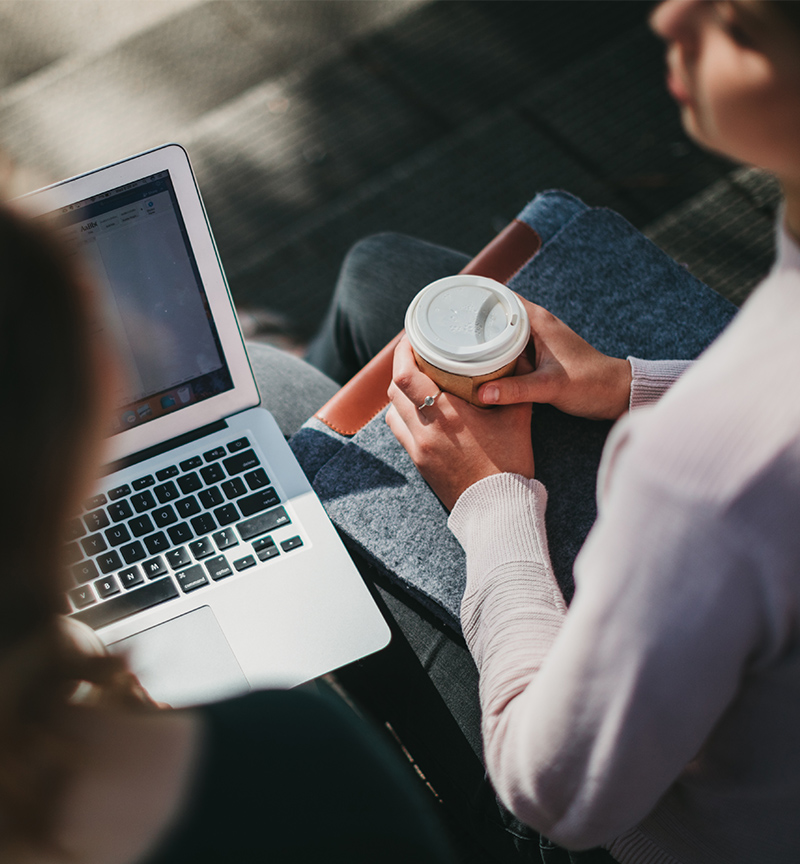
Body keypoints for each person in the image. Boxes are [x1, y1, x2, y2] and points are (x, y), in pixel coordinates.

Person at [372, 1, 800, 862]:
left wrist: (490, 503)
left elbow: (558, 794)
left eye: (742, 23)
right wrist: (626, 383)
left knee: (292, 421)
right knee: (374, 274)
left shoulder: (705, 477)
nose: (670, 14)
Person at [0, 206, 456, 863]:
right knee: (277, 366)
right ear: (101, 381)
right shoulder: (285, 755)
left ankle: (278, 346)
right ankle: (273, 344)